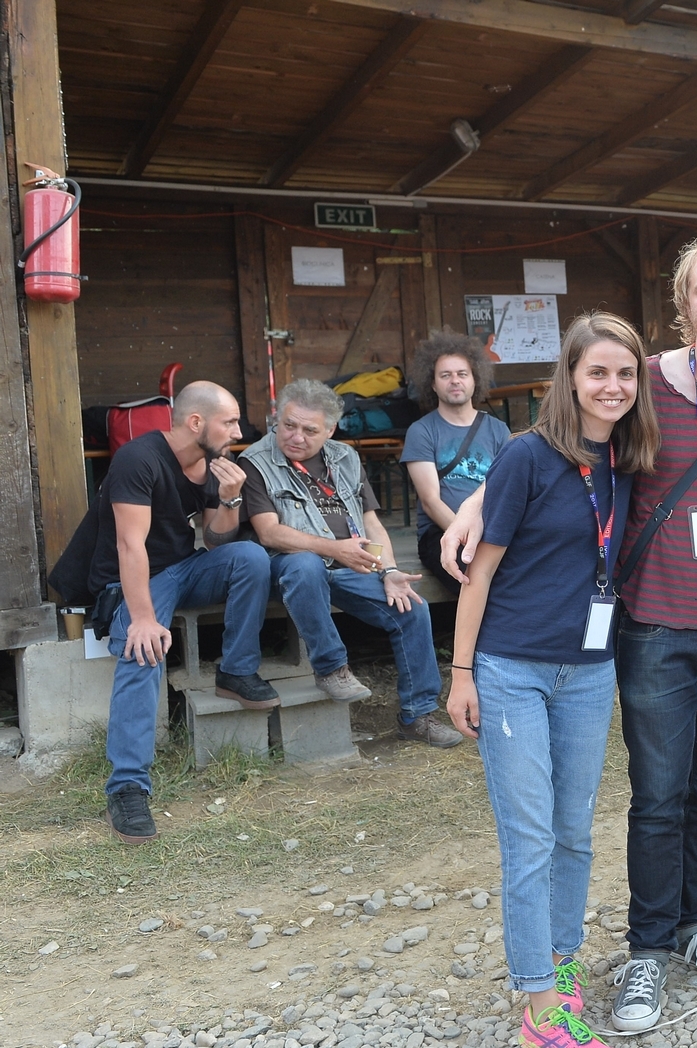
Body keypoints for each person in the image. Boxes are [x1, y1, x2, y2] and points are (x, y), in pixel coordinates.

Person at [441, 233, 697, 1033]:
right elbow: (558, 441)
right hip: (648, 630)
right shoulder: (639, 381)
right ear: (682, 306)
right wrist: (476, 505)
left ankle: (690, 927)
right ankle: (644, 947)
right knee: (656, 799)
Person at [444, 312, 658, 1048]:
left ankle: (561, 971)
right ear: (569, 377)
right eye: (598, 372)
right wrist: (461, 672)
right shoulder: (528, 457)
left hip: (589, 671)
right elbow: (481, 569)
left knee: (573, 833)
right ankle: (539, 1007)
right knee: (529, 838)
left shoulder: (626, 459)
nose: (613, 386)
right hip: (511, 670)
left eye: (626, 374)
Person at [87, 383, 279, 843]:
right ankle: (128, 788)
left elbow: (216, 541)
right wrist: (143, 617)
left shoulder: (214, 466)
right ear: (196, 423)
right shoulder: (139, 458)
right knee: (143, 647)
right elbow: (129, 545)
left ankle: (234, 671)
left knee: (251, 558)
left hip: (182, 568)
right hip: (129, 578)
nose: (238, 431)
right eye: (229, 422)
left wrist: (231, 499)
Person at [239, 379, 463, 748]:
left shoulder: (344, 457)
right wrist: (335, 548)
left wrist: (389, 571)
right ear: (276, 419)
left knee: (412, 607)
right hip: (292, 566)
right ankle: (331, 667)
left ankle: (417, 716)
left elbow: (371, 522)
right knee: (306, 565)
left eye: (310, 430)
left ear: (329, 430)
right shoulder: (255, 461)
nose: (295, 436)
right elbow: (269, 533)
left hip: (352, 562)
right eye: (288, 425)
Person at [403, 332, 511, 589]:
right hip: (442, 534)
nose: (455, 381)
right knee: (475, 574)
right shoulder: (421, 431)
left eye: (462, 374)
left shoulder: (498, 430)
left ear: (475, 380)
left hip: (492, 532)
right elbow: (430, 502)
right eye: (445, 375)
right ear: (432, 384)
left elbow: (510, 488)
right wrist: (466, 537)